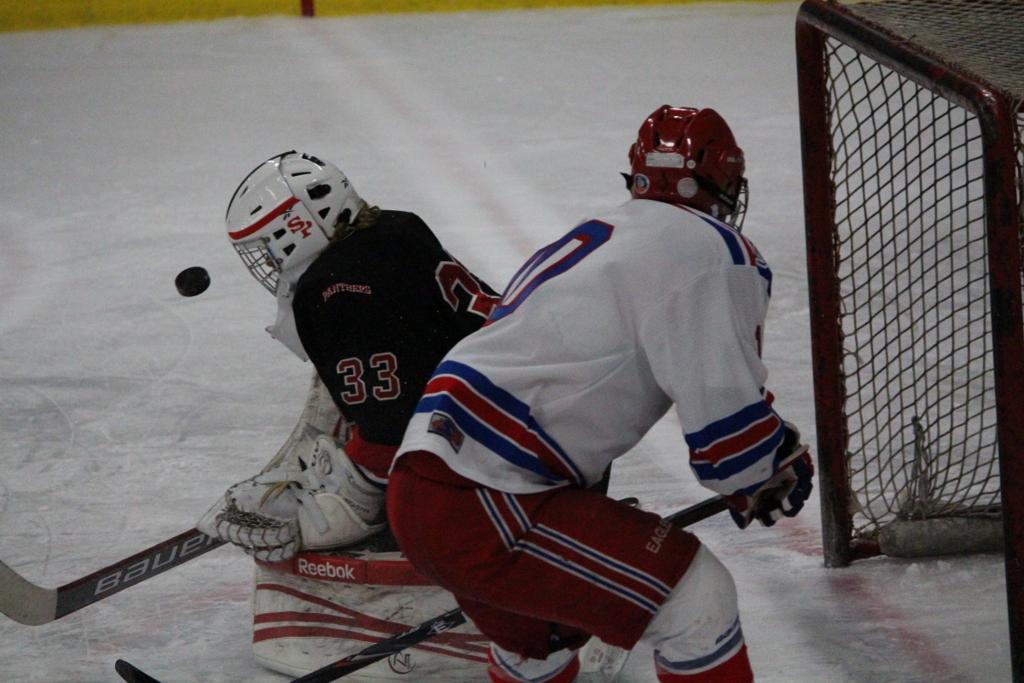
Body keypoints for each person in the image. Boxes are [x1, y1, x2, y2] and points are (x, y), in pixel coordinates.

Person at [386, 106, 814, 683]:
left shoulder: (604, 235)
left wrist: (758, 461)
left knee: (542, 639)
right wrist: (768, 466)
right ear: (721, 182)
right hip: (489, 497)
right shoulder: (713, 250)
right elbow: (728, 445)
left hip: (426, 485)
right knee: (696, 602)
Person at [197, 150, 500, 562]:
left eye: (268, 246)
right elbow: (419, 352)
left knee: (411, 507)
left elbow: (394, 427)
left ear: (297, 225)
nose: (268, 260)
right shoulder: (393, 228)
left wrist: (349, 491)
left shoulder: (337, 288)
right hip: (520, 394)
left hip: (504, 451)